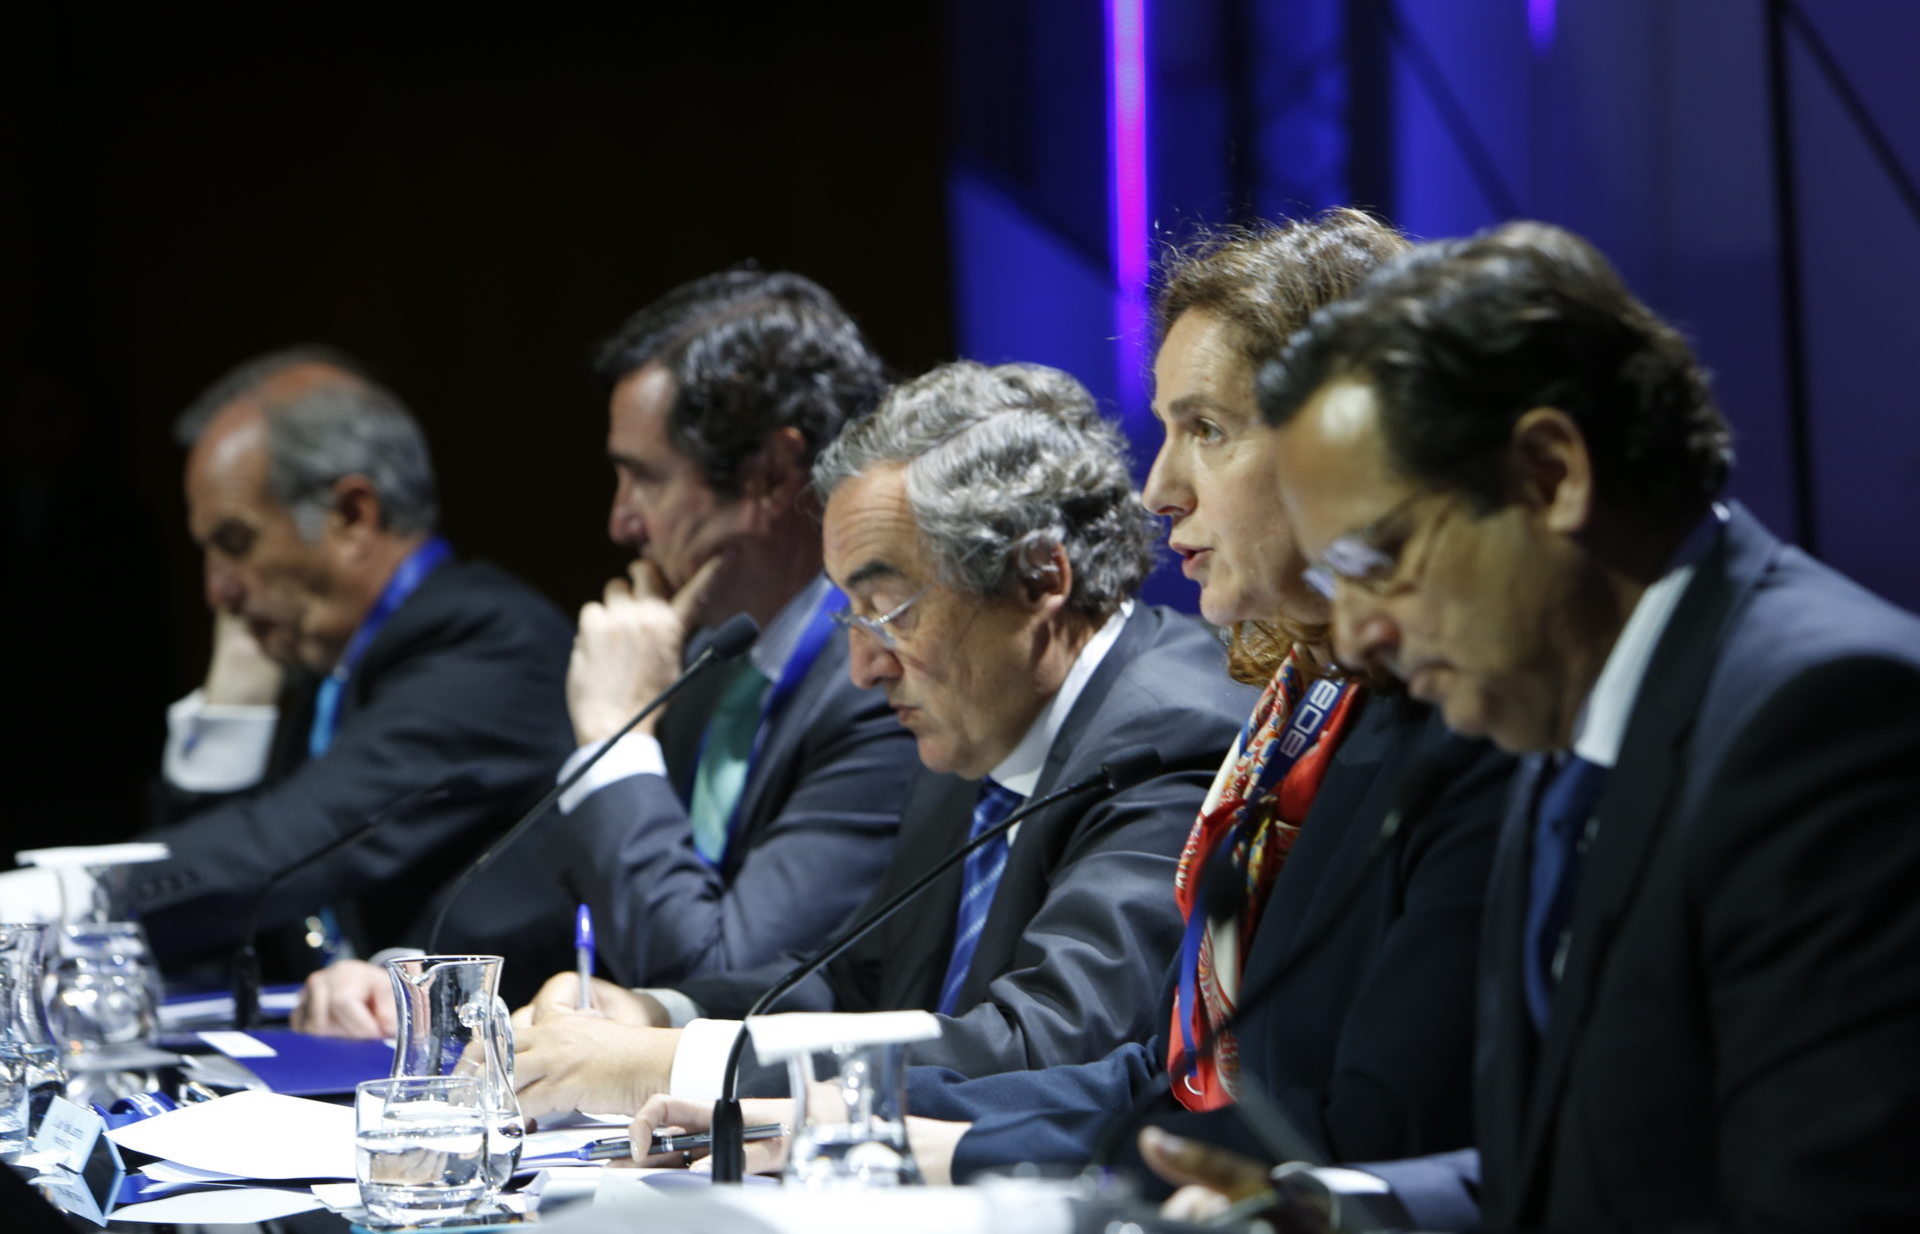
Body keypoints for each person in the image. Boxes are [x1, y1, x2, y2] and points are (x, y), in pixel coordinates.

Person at [628, 212, 1511, 1188]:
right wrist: (836, 1116)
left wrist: (912, 1136)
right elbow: (1176, 1075)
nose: (1160, 487)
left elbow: (1348, 1125)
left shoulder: (1417, 722)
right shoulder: (1296, 715)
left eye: (1206, 429)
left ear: (1349, 448)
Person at [1162, 221, 1920, 1231]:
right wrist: (1324, 1209)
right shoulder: (1563, 732)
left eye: (1380, 555)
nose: (1359, 626)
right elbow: (1577, 1169)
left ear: (1550, 475)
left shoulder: (1825, 720)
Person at [508, 359, 1254, 1117]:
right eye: (850, 616)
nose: (863, 667)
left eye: (889, 611)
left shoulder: (1167, 740)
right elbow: (862, 981)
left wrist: (668, 1064)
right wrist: (655, 1013)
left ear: (1038, 578)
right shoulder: (977, 720)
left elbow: (1049, 1045)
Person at [294, 271, 924, 1035]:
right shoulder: (702, 655)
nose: (621, 522)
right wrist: (418, 981)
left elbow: (717, 981)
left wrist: (614, 739)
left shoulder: (882, 682)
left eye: (644, 479)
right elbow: (593, 922)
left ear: (769, 475)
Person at [130, 349, 577, 990]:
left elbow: (281, 848)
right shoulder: (322, 667)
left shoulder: (492, 644)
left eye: (234, 543)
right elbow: (205, 916)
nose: (216, 592)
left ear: (352, 516)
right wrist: (230, 714)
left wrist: (60, 898)